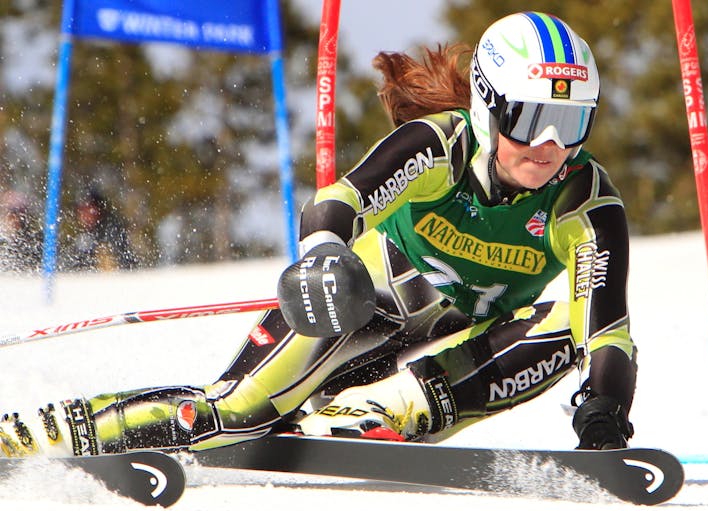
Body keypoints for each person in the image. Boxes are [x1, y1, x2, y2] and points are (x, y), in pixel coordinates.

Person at [0, 12, 636, 458]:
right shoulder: (440, 147)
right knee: (234, 413)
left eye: (571, 122)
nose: (551, 145)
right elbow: (340, 201)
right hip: (359, 306)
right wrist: (325, 258)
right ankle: (36, 434)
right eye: (531, 119)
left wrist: (606, 406)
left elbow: (607, 325)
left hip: (450, 350)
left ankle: (375, 414)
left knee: (564, 328)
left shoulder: (586, 202)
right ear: (488, 106)